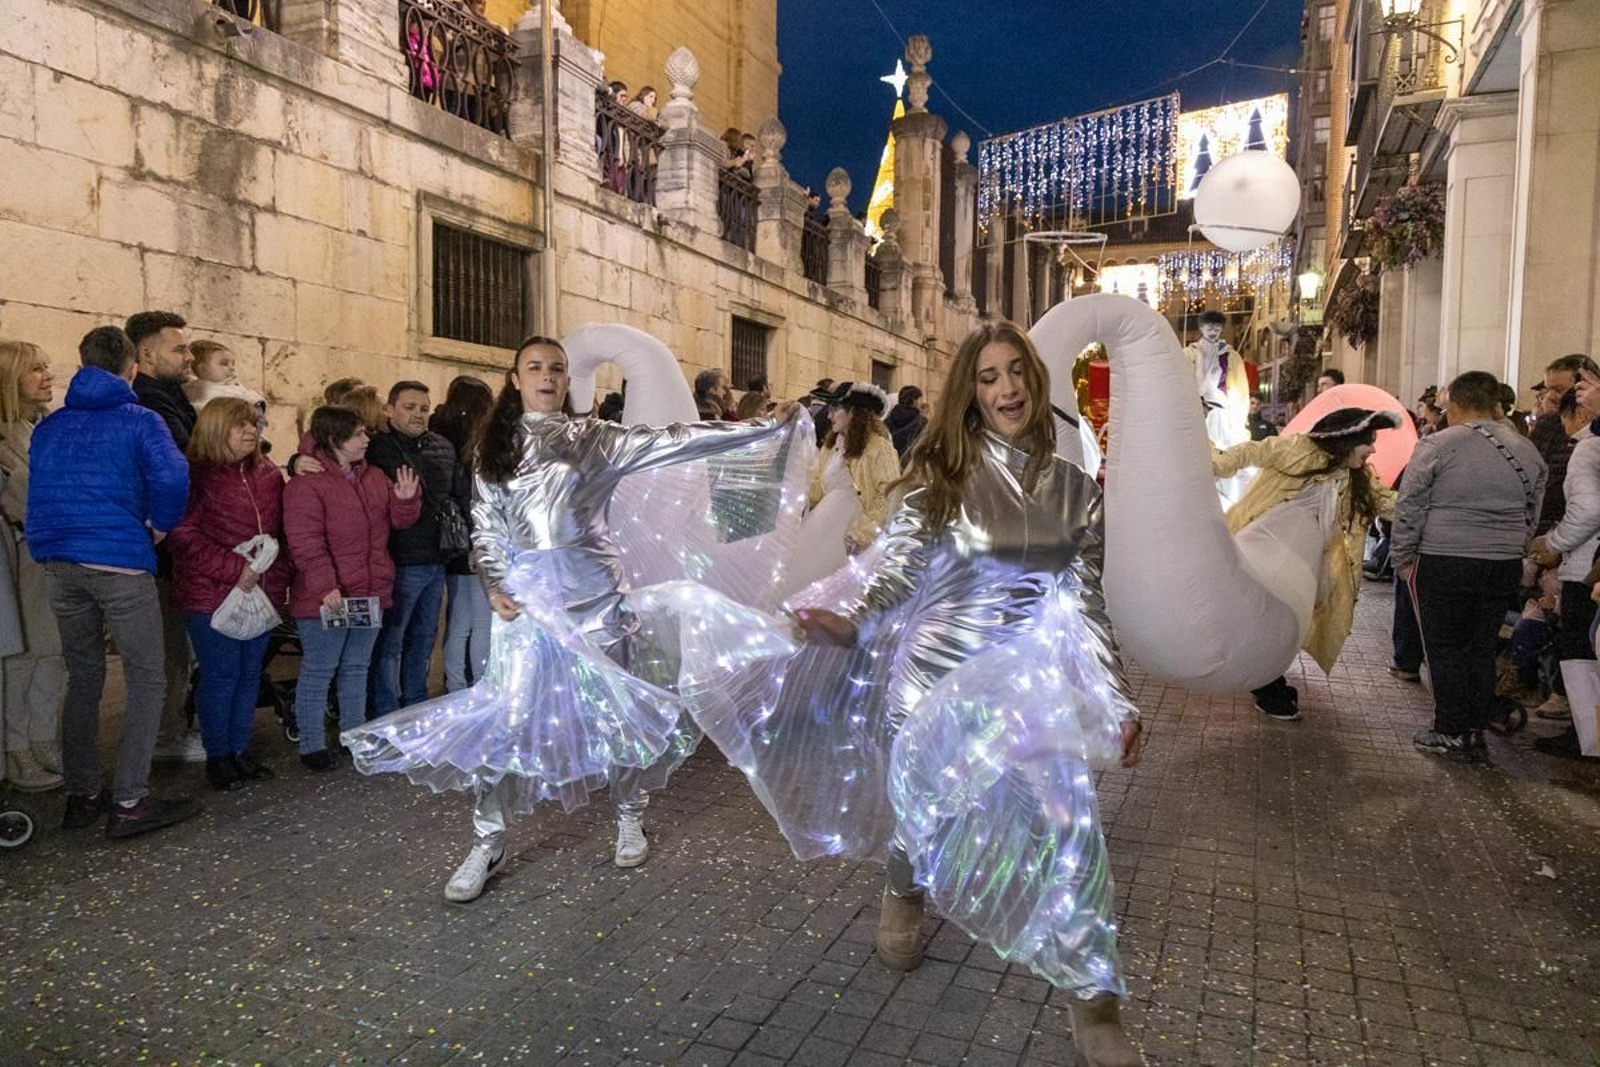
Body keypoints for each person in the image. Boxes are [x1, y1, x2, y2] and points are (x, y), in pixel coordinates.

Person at [774, 321, 1143, 1067]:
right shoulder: (940, 473)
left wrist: (1117, 698)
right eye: (988, 376)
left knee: (1072, 833)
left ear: (1036, 380)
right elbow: (897, 574)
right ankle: (904, 890)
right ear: (970, 393)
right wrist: (850, 620)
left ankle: (1094, 1001)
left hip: (1026, 692)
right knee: (925, 816)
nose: (1006, 388)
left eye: (1016, 372)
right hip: (934, 685)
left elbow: (1087, 606)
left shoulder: (1076, 492)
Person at [342, 337, 805, 903]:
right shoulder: (495, 447)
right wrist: (495, 583)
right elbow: (486, 524)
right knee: (509, 721)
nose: (547, 376)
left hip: (597, 601)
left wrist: (761, 427)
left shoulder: (596, 438)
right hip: (528, 606)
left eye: (556, 369)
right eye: (535, 367)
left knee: (619, 714)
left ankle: (629, 816)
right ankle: (488, 841)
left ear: (567, 380)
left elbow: (678, 439)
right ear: (516, 379)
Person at [28, 326, 199, 838]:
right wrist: (160, 525)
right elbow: (173, 477)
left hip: (59, 561)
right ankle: (129, 800)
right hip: (120, 559)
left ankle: (82, 795)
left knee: (83, 676)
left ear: (83, 363)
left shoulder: (51, 425)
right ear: (131, 367)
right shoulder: (140, 419)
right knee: (146, 678)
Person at [1392, 371, 1546, 761]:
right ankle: (1475, 730)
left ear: (1454, 406)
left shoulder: (1438, 445)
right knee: (1481, 646)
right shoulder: (1527, 450)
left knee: (1444, 648)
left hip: (1444, 559)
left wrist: (1403, 558)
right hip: (1502, 563)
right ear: (1495, 404)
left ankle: (1449, 730)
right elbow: (1533, 510)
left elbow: (1410, 505)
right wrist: (1515, 547)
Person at [1212, 407, 1402, 721]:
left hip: (1306, 562)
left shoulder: (1357, 476)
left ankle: (1267, 679)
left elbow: (1387, 502)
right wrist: (1215, 464)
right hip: (1267, 546)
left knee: (1283, 620)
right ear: (1347, 439)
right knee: (1268, 614)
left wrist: (1438, 507)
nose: (1373, 449)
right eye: (1368, 441)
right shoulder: (1297, 448)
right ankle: (1267, 685)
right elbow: (1251, 451)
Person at [283, 406, 421, 769]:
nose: (366, 439)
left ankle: (353, 736)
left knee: (357, 667)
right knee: (320, 669)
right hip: (327, 596)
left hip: (367, 591)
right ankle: (312, 745)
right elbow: (304, 541)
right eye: (358, 434)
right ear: (335, 439)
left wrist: (406, 500)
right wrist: (325, 584)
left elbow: (397, 521)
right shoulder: (307, 484)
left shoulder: (373, 477)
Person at [166, 399, 292, 791]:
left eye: (254, 424)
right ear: (217, 428)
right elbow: (182, 535)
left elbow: (282, 531)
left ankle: (239, 749)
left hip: (261, 593)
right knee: (221, 675)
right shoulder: (194, 476)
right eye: (241, 425)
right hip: (212, 592)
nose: (252, 431)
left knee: (250, 674)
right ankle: (217, 755)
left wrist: (275, 576)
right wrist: (236, 570)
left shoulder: (268, 474)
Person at [127, 311, 205, 763]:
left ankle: (170, 730)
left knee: (175, 652)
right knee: (164, 653)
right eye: (179, 349)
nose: (189, 356)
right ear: (147, 353)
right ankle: (163, 738)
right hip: (160, 550)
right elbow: (179, 467)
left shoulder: (170, 398)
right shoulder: (148, 405)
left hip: (173, 549)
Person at [367, 381, 458, 718]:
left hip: (436, 557)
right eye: (409, 407)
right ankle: (387, 708)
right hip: (399, 558)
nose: (418, 414)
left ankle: (416, 703)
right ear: (389, 410)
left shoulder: (442, 446)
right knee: (391, 639)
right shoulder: (376, 448)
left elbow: (453, 493)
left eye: (424, 408)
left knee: (424, 636)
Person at [0, 340, 63, 792]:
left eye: (46, 367)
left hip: (53, 551)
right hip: (20, 552)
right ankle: (17, 747)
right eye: (35, 369)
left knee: (53, 654)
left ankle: (44, 739)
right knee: (23, 657)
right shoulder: (6, 439)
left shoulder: (43, 426)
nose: (47, 376)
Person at [1527, 386, 1600, 722]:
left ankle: (1585, 732)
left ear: (1580, 412)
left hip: (1586, 566)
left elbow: (1588, 510)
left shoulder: (1588, 449)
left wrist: (1553, 542)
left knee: (1579, 650)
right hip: (1589, 562)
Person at [429, 376, 496, 693]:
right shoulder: (479, 442)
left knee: (459, 620)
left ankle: (455, 684)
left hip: (449, 539)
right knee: (481, 621)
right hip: (475, 539)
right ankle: (479, 685)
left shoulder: (436, 436)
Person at [808, 382, 902, 554]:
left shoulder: (879, 448)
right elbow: (819, 485)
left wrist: (860, 536)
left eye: (835, 409)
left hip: (856, 542)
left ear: (854, 412)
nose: (829, 416)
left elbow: (889, 495)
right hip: (821, 532)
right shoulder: (831, 447)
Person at [1184, 310, 1250, 502]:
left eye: (1217, 328)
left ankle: (1226, 500)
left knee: (1225, 457)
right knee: (1196, 457)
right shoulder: (1188, 354)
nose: (1213, 331)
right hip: (1196, 413)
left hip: (1222, 413)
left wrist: (1239, 418)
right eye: (1209, 327)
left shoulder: (1231, 356)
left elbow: (1241, 389)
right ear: (1201, 328)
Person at [182, 340, 266, 416]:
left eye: (233, 364)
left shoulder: (233, 387)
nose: (232, 368)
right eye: (224, 364)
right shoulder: (198, 390)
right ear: (202, 369)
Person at [885, 384, 926, 460]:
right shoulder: (922, 422)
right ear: (914, 401)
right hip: (911, 463)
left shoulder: (888, 420)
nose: (922, 402)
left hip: (892, 462)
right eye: (920, 399)